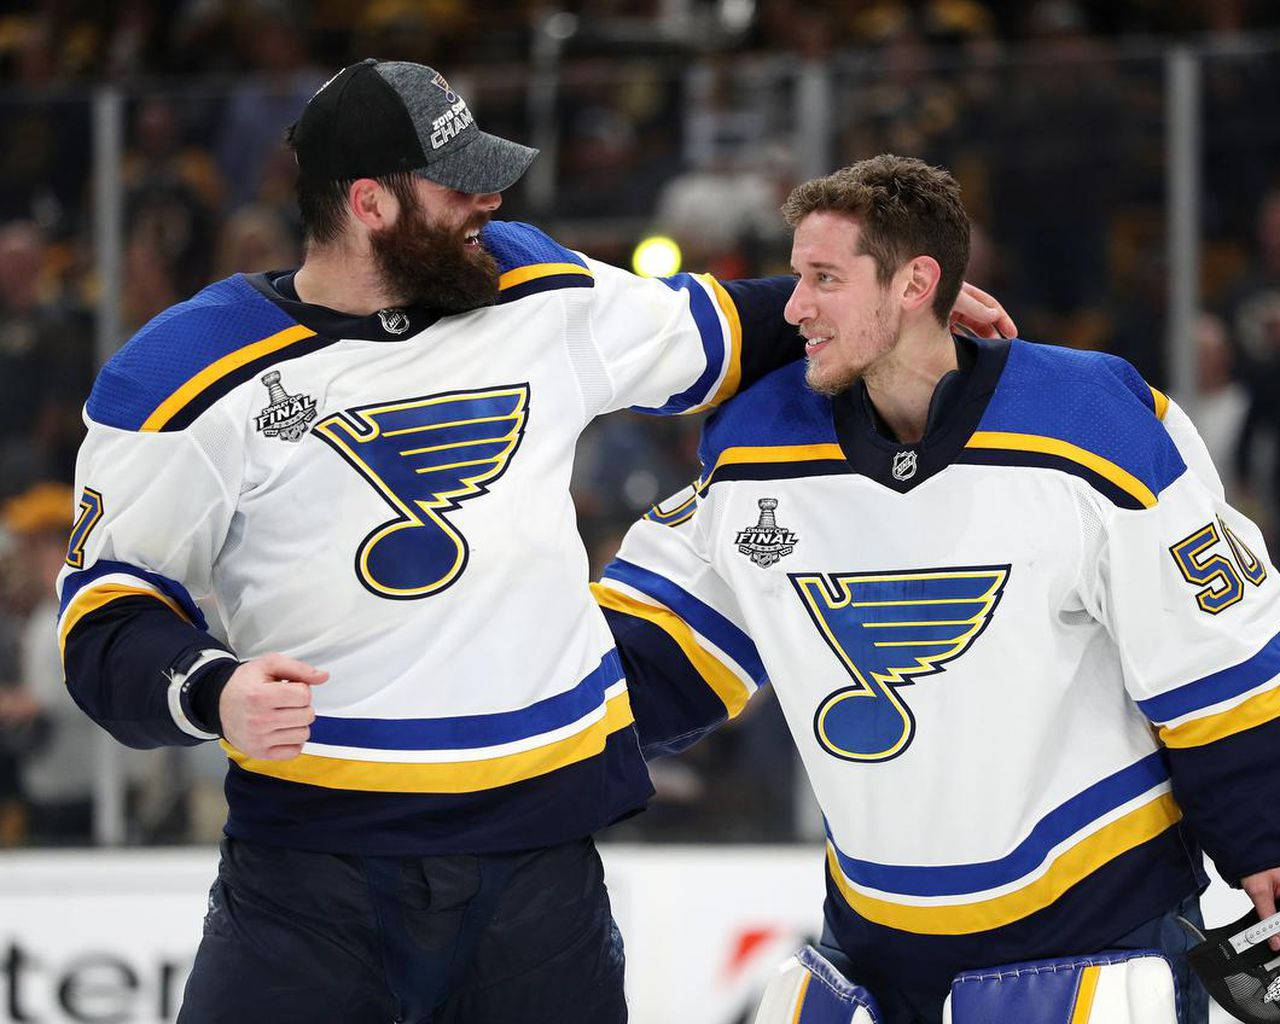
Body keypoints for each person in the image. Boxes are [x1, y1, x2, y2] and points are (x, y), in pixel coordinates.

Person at [57, 63, 1013, 1024]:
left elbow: (720, 328)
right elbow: (108, 608)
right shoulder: (182, 376)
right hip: (311, 880)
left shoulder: (532, 285)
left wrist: (885, 309)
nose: (490, 199)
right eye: (458, 183)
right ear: (368, 202)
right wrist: (209, 689)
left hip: (537, 871)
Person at [595, 155, 1280, 1024]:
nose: (793, 307)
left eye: (823, 279)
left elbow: (1219, 653)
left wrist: (1266, 837)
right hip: (877, 946)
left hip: (1096, 927)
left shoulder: (1092, 422)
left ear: (918, 282)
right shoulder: (759, 440)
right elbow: (651, 653)